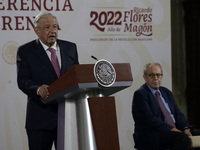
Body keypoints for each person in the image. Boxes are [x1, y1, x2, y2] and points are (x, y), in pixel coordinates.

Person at [16, 12, 79, 150]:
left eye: (55, 27)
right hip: (40, 120)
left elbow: (77, 76)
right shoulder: (26, 51)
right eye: (47, 27)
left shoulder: (70, 48)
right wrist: (38, 89)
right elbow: (22, 80)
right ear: (36, 30)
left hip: (67, 119)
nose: (52, 31)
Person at [132, 62, 200, 150]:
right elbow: (149, 119)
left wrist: (185, 128)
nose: (156, 78)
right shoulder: (140, 94)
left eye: (158, 75)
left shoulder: (166, 92)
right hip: (153, 133)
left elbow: (177, 113)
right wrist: (172, 129)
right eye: (152, 75)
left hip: (174, 130)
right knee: (181, 138)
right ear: (145, 77)